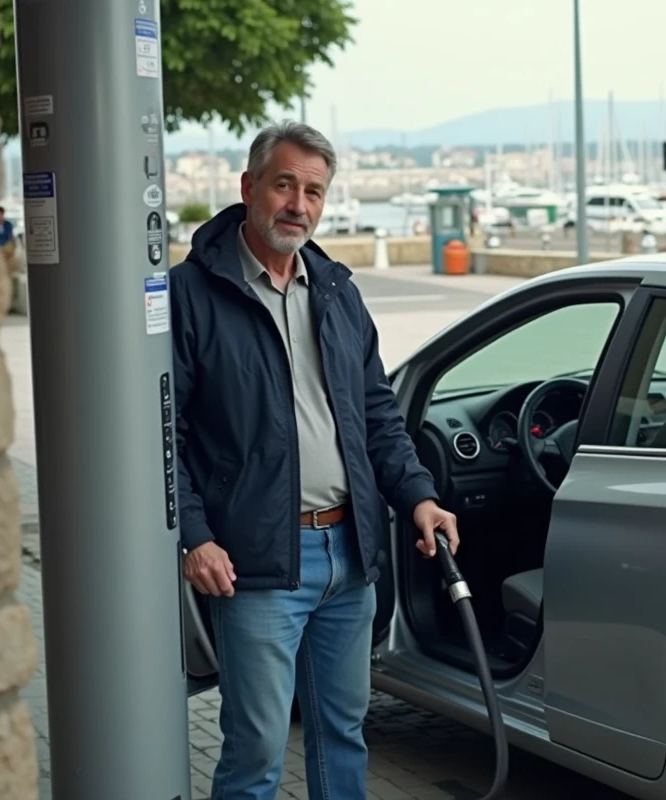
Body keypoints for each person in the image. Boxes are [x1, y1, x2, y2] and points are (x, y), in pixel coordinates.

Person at [169, 120, 459, 800]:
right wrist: (195, 535)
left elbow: (377, 415)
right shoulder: (190, 295)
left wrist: (417, 495)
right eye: (284, 185)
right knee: (258, 749)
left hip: (349, 555)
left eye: (315, 192)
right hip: (259, 561)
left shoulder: (335, 291)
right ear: (249, 188)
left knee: (342, 736)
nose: (299, 205)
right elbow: (165, 433)